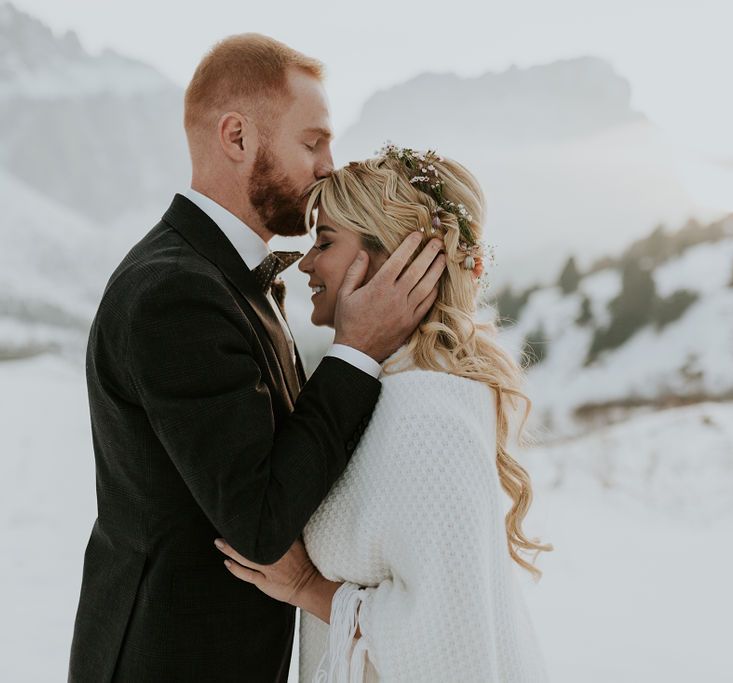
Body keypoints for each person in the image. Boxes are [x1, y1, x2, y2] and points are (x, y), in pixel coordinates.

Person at [67, 36, 445, 682]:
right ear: (236, 137)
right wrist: (355, 349)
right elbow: (260, 522)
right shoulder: (174, 293)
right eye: (312, 142)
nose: (330, 165)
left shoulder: (226, 279)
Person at [214, 144, 553, 682]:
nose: (305, 262)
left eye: (324, 242)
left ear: (394, 259)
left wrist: (307, 588)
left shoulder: (426, 415)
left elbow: (450, 644)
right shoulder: (384, 389)